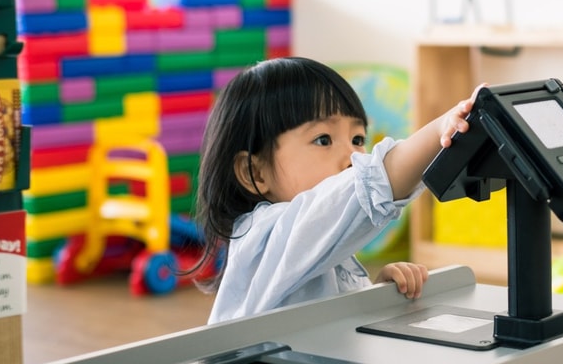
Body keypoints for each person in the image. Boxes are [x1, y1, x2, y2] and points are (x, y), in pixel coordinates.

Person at [192, 56, 481, 324]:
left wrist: (375, 293)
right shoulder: (265, 235)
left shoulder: (327, 241)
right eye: (323, 140)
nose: (354, 157)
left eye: (357, 138)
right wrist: (439, 129)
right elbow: (370, 184)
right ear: (254, 172)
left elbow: (330, 329)